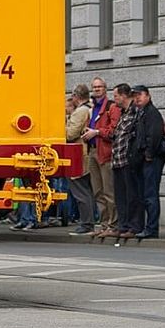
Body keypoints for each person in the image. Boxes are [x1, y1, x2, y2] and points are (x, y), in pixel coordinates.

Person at [81, 77, 120, 237]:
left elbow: (114, 130)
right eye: (94, 87)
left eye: (100, 87)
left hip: (105, 152)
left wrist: (96, 132)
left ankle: (113, 224)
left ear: (105, 88)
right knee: (97, 191)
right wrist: (86, 132)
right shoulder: (92, 108)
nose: (97, 89)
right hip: (92, 151)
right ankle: (104, 224)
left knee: (109, 191)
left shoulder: (111, 107)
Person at [131, 85, 165, 239]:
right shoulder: (141, 112)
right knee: (145, 194)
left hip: (151, 159)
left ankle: (152, 228)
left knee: (151, 194)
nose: (137, 98)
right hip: (143, 159)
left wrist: (149, 154)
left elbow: (154, 135)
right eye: (135, 95)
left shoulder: (152, 113)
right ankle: (147, 226)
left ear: (148, 96)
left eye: (140, 95)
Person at [109, 84, 141, 240]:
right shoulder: (123, 113)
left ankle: (133, 226)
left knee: (132, 195)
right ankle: (122, 225)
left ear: (123, 96)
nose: (114, 99)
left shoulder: (135, 111)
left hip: (128, 160)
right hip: (117, 160)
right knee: (120, 196)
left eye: (116, 96)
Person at [64, 83, 96, 236]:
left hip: (78, 155)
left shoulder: (80, 112)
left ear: (76, 97)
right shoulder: (89, 108)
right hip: (85, 154)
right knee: (87, 190)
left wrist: (61, 125)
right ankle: (88, 222)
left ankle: (86, 224)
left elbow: (70, 134)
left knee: (80, 191)